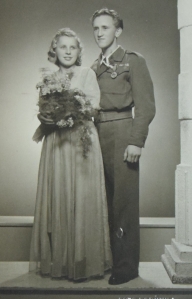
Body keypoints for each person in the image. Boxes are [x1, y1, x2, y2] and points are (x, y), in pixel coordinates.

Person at [30, 28, 112, 281]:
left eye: (72, 47)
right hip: (57, 142)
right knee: (59, 195)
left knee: (83, 196)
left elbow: (93, 107)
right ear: (54, 50)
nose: (67, 51)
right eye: (62, 46)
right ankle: (61, 262)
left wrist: (73, 110)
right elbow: (44, 108)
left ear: (78, 52)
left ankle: (84, 262)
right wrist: (46, 116)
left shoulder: (87, 74)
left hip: (80, 142)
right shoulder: (48, 78)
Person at [91, 8, 156, 285]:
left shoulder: (132, 61)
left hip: (122, 134)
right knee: (100, 201)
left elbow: (146, 107)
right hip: (95, 135)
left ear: (117, 31)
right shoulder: (93, 68)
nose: (99, 33)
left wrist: (135, 141)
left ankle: (126, 268)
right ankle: (106, 261)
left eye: (105, 28)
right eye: (95, 28)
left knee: (123, 205)